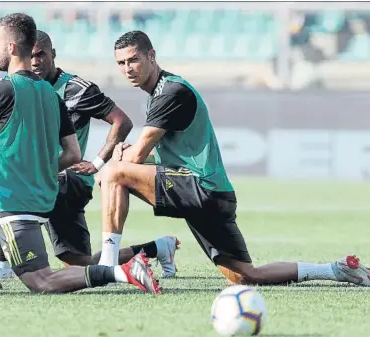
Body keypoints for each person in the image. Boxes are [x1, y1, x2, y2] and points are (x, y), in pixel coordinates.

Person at [95, 30, 370, 287]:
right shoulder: (158, 94)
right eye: (121, 63)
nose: (128, 68)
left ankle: (106, 267)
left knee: (113, 173)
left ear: (151, 56)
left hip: (201, 188)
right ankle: (335, 270)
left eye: (134, 59)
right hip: (213, 194)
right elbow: (159, 154)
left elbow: (140, 154)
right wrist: (126, 158)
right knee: (245, 276)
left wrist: (119, 158)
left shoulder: (171, 92)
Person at [0, 15, 160, 294]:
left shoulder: (1, 89)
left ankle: (120, 271)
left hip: (15, 203)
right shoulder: (51, 94)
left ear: (10, 47)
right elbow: (72, 154)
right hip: (41, 199)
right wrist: (38, 171)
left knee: (41, 281)